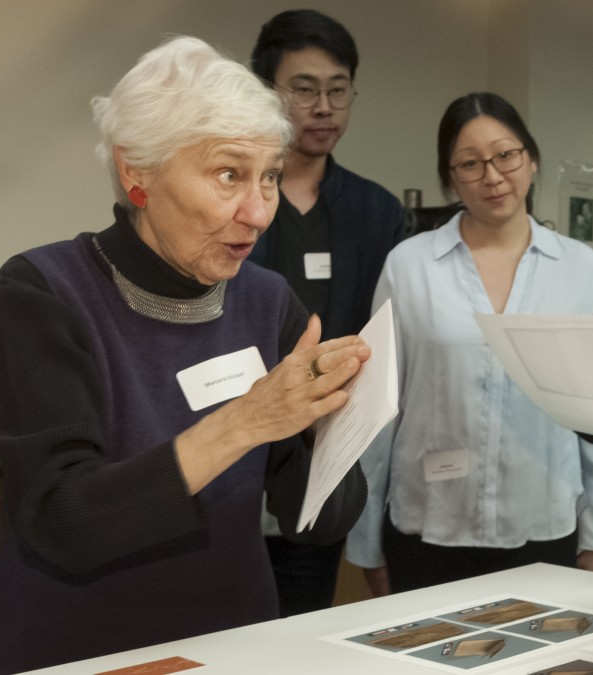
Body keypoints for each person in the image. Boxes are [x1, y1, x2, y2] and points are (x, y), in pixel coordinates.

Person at [0, 37, 370, 674]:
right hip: (75, 650)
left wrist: (333, 422)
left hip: (233, 647)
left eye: (270, 176)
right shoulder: (41, 295)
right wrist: (249, 422)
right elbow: (65, 520)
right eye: (229, 174)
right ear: (137, 172)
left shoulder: (268, 301)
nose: (259, 211)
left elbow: (318, 525)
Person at [346, 92, 593, 596]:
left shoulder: (581, 269)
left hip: (544, 527)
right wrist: (366, 544)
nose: (492, 176)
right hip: (429, 526)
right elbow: (376, 415)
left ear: (532, 159)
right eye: (469, 164)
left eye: (506, 155)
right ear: (449, 178)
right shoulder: (409, 265)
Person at [248, 8, 404, 618]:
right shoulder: (238, 203)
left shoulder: (375, 211)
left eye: (338, 91)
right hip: (234, 450)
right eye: (305, 89)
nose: (324, 107)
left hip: (325, 454)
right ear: (268, 93)